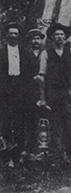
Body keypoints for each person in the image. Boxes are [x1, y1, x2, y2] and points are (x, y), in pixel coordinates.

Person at [38, 23, 71, 160]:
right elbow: (42, 77)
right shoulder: (46, 54)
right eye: (56, 35)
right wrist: (43, 98)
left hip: (67, 93)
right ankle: (56, 157)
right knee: (55, 126)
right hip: (52, 94)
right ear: (52, 37)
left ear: (65, 37)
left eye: (61, 35)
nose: (59, 37)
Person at [0, 23, 29, 153]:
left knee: (20, 118)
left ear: (19, 36)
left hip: (20, 87)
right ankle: (5, 147)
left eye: (15, 34)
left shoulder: (24, 53)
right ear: (6, 35)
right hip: (4, 87)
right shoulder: (1, 52)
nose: (13, 36)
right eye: (11, 33)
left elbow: (27, 73)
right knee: (5, 117)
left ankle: (19, 149)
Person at [25, 28, 45, 153]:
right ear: (30, 41)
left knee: (43, 119)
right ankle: (30, 147)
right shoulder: (26, 54)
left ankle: (43, 145)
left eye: (38, 38)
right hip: (29, 91)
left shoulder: (45, 53)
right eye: (33, 38)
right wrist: (32, 78)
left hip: (43, 91)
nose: (36, 41)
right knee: (30, 119)